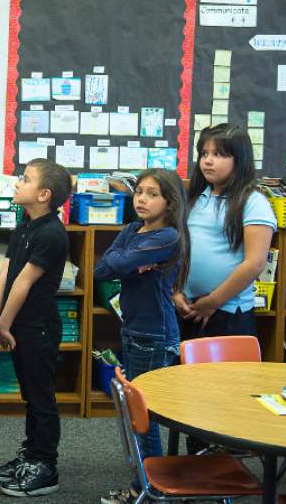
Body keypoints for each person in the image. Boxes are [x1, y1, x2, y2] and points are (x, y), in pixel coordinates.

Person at [94, 169, 190, 504]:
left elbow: (118, 261)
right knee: (138, 415)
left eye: (152, 194)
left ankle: (149, 490)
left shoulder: (167, 237)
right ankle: (148, 485)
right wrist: (129, 261)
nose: (142, 199)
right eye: (139, 193)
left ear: (169, 202)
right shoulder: (134, 230)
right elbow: (103, 269)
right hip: (134, 329)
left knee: (143, 417)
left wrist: (127, 260)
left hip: (153, 334)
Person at [0, 158, 71, 498]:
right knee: (29, 395)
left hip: (37, 327)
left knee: (41, 398)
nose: (16, 184)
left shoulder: (52, 233)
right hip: (15, 325)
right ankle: (31, 453)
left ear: (44, 194)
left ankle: (45, 465)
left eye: (24, 180)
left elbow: (24, 283)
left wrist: (3, 325)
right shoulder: (24, 224)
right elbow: (6, 273)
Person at [175, 124, 276, 338]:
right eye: (204, 154)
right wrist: (175, 291)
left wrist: (213, 301)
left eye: (218, 154)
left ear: (239, 160)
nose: (208, 161)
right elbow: (181, 249)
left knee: (224, 372)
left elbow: (254, 263)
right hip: (189, 308)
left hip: (227, 312)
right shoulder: (196, 197)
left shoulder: (253, 202)